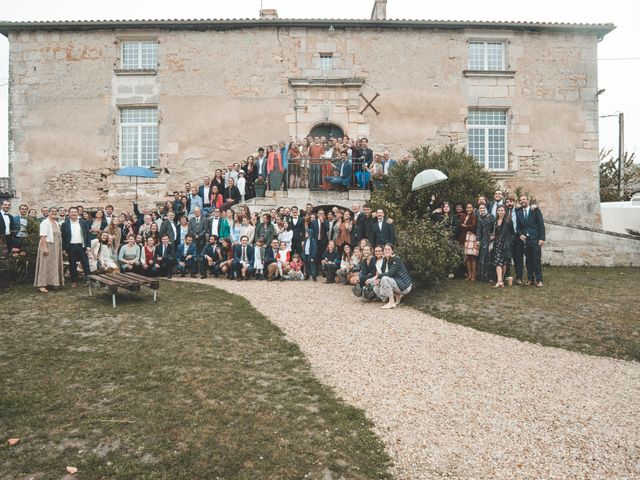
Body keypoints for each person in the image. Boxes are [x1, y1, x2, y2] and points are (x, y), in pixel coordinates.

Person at [515, 194, 545, 287]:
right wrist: (520, 234)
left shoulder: (535, 210)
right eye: (521, 200)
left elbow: (541, 224)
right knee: (528, 261)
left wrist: (542, 238)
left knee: (536, 260)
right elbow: (518, 227)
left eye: (524, 199)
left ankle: (539, 280)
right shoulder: (518, 212)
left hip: (535, 239)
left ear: (528, 200)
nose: (522, 201)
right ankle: (530, 279)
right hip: (525, 241)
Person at [372, 244, 412, 309]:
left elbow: (390, 274)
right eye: (385, 249)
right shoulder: (385, 260)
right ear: (383, 251)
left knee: (385, 279)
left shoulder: (396, 259)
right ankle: (396, 297)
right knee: (376, 288)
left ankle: (391, 302)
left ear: (392, 251)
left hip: (404, 286)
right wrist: (378, 281)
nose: (387, 251)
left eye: (389, 249)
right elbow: (384, 273)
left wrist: (378, 276)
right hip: (396, 283)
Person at [34, 207, 64, 293]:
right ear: (48, 213)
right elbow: (42, 236)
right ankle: (42, 285)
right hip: (47, 245)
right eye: (52, 211)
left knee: (53, 265)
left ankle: (52, 283)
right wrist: (45, 248)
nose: (54, 212)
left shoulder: (56, 223)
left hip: (56, 247)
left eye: (55, 211)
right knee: (45, 265)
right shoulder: (45, 222)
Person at [61, 206, 91, 288]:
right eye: (72, 212)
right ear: (69, 213)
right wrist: (64, 249)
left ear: (78, 213)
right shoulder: (65, 224)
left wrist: (88, 246)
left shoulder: (83, 223)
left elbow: (87, 235)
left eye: (75, 212)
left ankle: (89, 279)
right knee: (72, 265)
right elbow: (63, 237)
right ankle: (74, 281)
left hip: (82, 246)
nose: (73, 213)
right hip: (71, 247)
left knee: (85, 263)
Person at [491, 205, 515, 288]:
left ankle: (501, 280)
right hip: (497, 244)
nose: (500, 212)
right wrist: (492, 236)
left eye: (502, 210)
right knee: (498, 262)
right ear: (497, 212)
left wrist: (509, 242)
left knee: (504, 263)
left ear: (505, 211)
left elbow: (513, 234)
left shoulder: (508, 221)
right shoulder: (495, 221)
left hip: (505, 245)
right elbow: (493, 232)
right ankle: (500, 281)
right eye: (499, 210)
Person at [458, 203, 478, 281]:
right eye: (467, 207)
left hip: (472, 237)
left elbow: (474, 225)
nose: (468, 209)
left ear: (472, 208)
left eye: (470, 207)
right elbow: (459, 225)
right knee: (466, 257)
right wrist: (465, 226)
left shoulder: (474, 215)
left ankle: (473, 275)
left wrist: (465, 226)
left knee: (472, 256)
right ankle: (469, 275)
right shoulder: (463, 215)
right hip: (464, 237)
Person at [476, 203, 495, 282]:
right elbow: (478, 230)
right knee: (482, 257)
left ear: (486, 208)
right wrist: (478, 240)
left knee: (490, 257)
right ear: (479, 209)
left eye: (483, 208)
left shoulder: (491, 216)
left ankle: (490, 277)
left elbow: (494, 227)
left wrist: (493, 235)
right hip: (483, 239)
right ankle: (482, 277)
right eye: (480, 208)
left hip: (490, 239)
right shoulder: (479, 217)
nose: (482, 209)